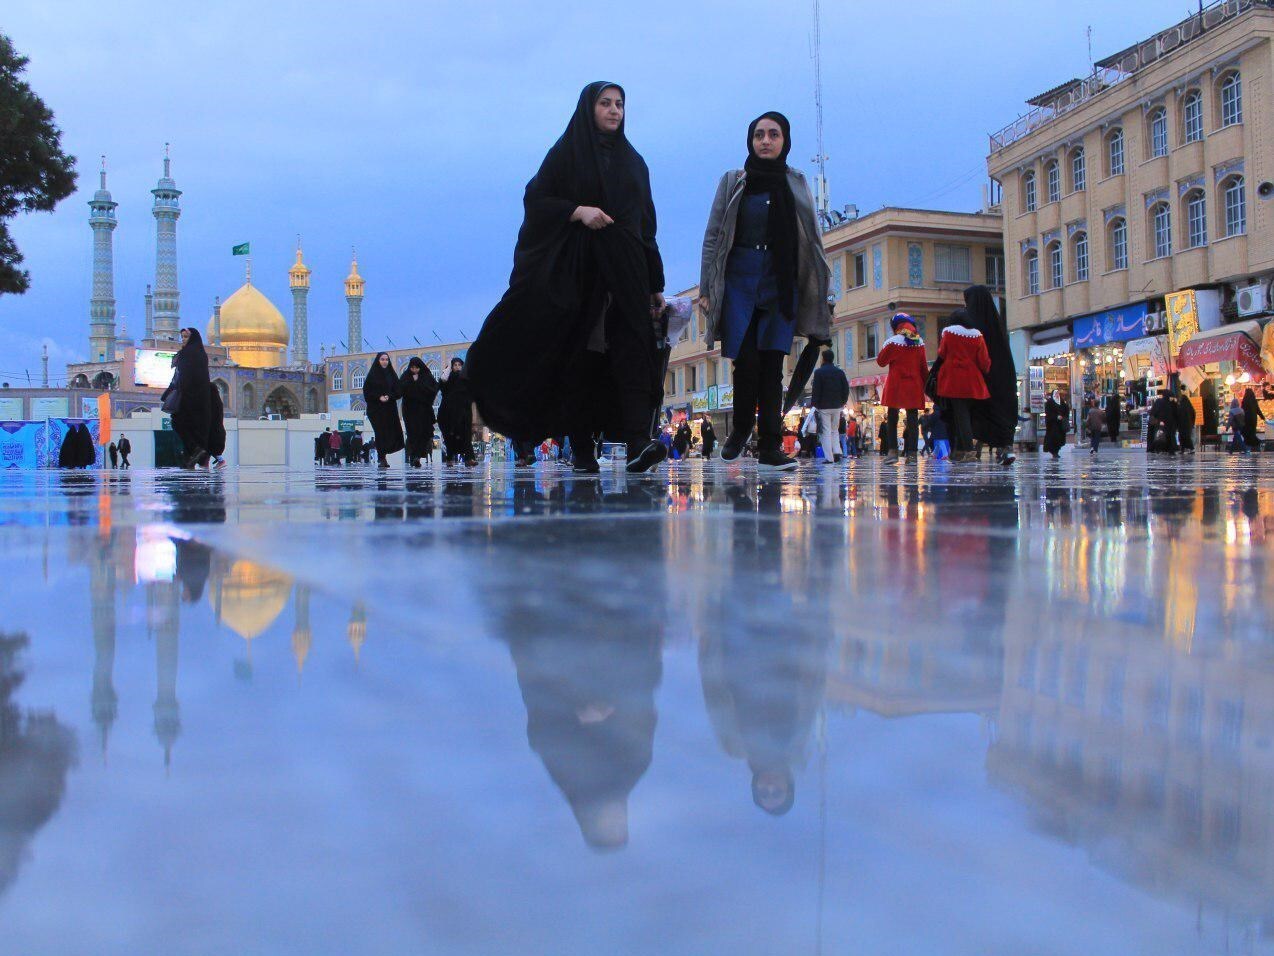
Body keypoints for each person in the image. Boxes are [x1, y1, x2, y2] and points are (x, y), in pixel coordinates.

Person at [466, 82, 668, 475]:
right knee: (581, 356)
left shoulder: (634, 162)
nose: (614, 110)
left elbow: (646, 225)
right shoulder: (567, 154)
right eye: (605, 103)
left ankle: (638, 441)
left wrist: (655, 282)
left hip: (627, 270)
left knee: (632, 349)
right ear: (589, 108)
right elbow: (537, 200)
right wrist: (577, 211)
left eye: (619, 104)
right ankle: (582, 448)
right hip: (581, 271)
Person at [699, 111, 831, 472]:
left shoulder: (795, 182)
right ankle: (741, 429)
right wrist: (707, 286)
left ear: (785, 141)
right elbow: (714, 236)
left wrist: (823, 292)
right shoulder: (733, 181)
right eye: (759, 135)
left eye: (774, 134)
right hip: (739, 281)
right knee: (746, 362)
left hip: (780, 280)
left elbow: (813, 239)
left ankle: (771, 445)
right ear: (750, 141)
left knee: (773, 365)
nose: (766, 141)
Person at [962, 285, 1018, 466]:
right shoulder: (997, 325)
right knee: (1000, 413)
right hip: (1002, 378)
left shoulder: (971, 326)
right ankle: (1005, 448)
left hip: (981, 378)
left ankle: (973, 448)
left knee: (978, 413)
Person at [936, 310, 991, 462]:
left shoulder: (948, 333)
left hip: (953, 379)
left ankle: (968, 450)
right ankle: (961, 450)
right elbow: (984, 361)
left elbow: (942, 353)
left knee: (960, 416)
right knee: (967, 415)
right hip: (973, 380)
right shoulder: (978, 336)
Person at [875, 313, 928, 465]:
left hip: (896, 384)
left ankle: (892, 452)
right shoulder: (919, 342)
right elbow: (923, 367)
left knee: (892, 418)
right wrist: (927, 385)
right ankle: (912, 455)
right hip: (914, 384)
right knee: (912, 420)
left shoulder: (893, 342)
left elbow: (881, 361)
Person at [164, 327, 212, 468]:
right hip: (199, 397)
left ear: (193, 338)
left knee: (178, 422)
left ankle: (195, 451)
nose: (183, 340)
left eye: (186, 337)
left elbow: (183, 376)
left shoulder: (188, 354)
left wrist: (173, 391)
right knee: (192, 427)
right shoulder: (200, 354)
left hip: (188, 396)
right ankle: (190, 458)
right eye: (182, 337)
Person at [362, 352, 405, 469]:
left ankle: (383, 455)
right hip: (376, 409)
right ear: (378, 360)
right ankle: (382, 458)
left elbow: (398, 391)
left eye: (386, 359)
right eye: (382, 359)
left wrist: (389, 396)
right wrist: (378, 397)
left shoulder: (392, 375)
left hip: (389, 408)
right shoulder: (372, 375)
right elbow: (367, 392)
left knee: (389, 433)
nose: (385, 361)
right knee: (380, 432)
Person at [399, 356, 439, 468]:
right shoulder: (406, 376)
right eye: (412, 368)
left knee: (423, 434)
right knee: (412, 434)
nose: (415, 370)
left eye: (417, 368)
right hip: (410, 411)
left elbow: (434, 388)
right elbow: (400, 390)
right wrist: (412, 382)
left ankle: (418, 456)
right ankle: (414, 457)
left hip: (423, 410)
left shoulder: (427, 376)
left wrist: (419, 383)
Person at [810, 349, 849, 465]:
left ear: (823, 359)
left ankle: (829, 457)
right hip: (837, 406)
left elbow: (816, 390)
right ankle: (837, 451)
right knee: (835, 430)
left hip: (824, 407)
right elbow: (845, 388)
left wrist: (814, 404)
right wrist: (842, 402)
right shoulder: (840, 372)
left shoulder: (819, 372)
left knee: (825, 431)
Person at [438, 357, 476, 467]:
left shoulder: (465, 378)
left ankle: (469, 459)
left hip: (464, 411)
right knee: (450, 435)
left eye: (459, 365)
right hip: (449, 413)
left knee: (466, 435)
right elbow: (442, 386)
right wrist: (447, 370)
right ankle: (450, 458)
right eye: (455, 365)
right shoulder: (448, 377)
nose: (457, 367)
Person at [1148, 389, 1177, 454]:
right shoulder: (1166, 403)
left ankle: (1159, 449)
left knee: (1160, 436)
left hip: (1161, 423)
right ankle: (1164, 449)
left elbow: (1154, 412)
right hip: (1162, 424)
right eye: (1171, 397)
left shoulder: (1162, 402)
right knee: (1163, 436)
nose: (1172, 398)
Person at [1042, 389, 1069, 458]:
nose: (1057, 395)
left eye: (1058, 394)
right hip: (1052, 425)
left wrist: (1062, 416)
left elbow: (1066, 410)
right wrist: (1056, 417)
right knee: (1053, 439)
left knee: (1059, 439)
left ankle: (1056, 451)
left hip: (1060, 425)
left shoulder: (1062, 402)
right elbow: (1048, 413)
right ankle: (1054, 452)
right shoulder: (1050, 402)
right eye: (1056, 394)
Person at [207, 382, 227, 469]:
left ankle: (221, 461)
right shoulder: (218, 403)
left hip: (214, 432)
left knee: (210, 447)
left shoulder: (212, 403)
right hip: (218, 432)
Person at [1242, 387, 1265, 451]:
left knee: (1248, 433)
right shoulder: (1254, 401)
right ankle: (1255, 445)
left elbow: (1242, 410)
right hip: (1253, 420)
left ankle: (1250, 445)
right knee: (1252, 432)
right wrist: (1262, 417)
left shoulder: (1244, 401)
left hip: (1246, 420)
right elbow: (1258, 410)